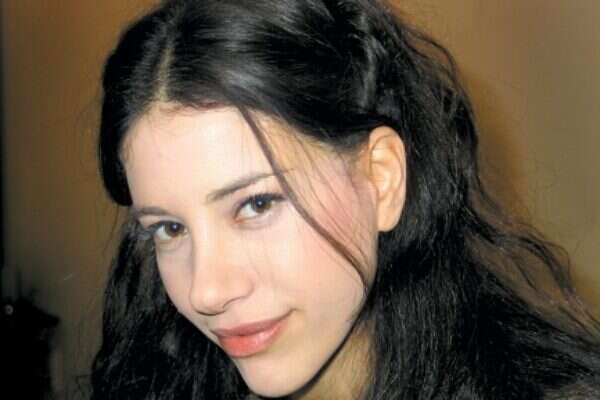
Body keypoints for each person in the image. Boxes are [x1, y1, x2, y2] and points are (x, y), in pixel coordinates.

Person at [91, 0, 600, 399]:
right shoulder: (162, 378)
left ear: (381, 178)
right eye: (169, 229)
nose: (206, 291)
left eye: (257, 205)